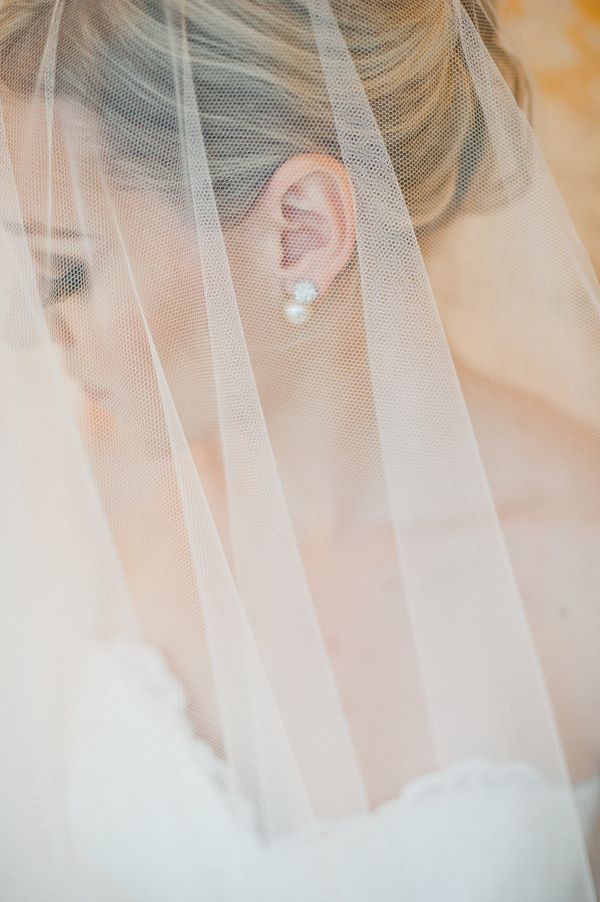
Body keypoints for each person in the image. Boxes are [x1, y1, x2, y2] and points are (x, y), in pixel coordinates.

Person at [0, 1, 598, 899]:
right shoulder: (83, 481)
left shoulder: (580, 570)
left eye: (69, 272)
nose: (40, 335)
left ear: (302, 230)